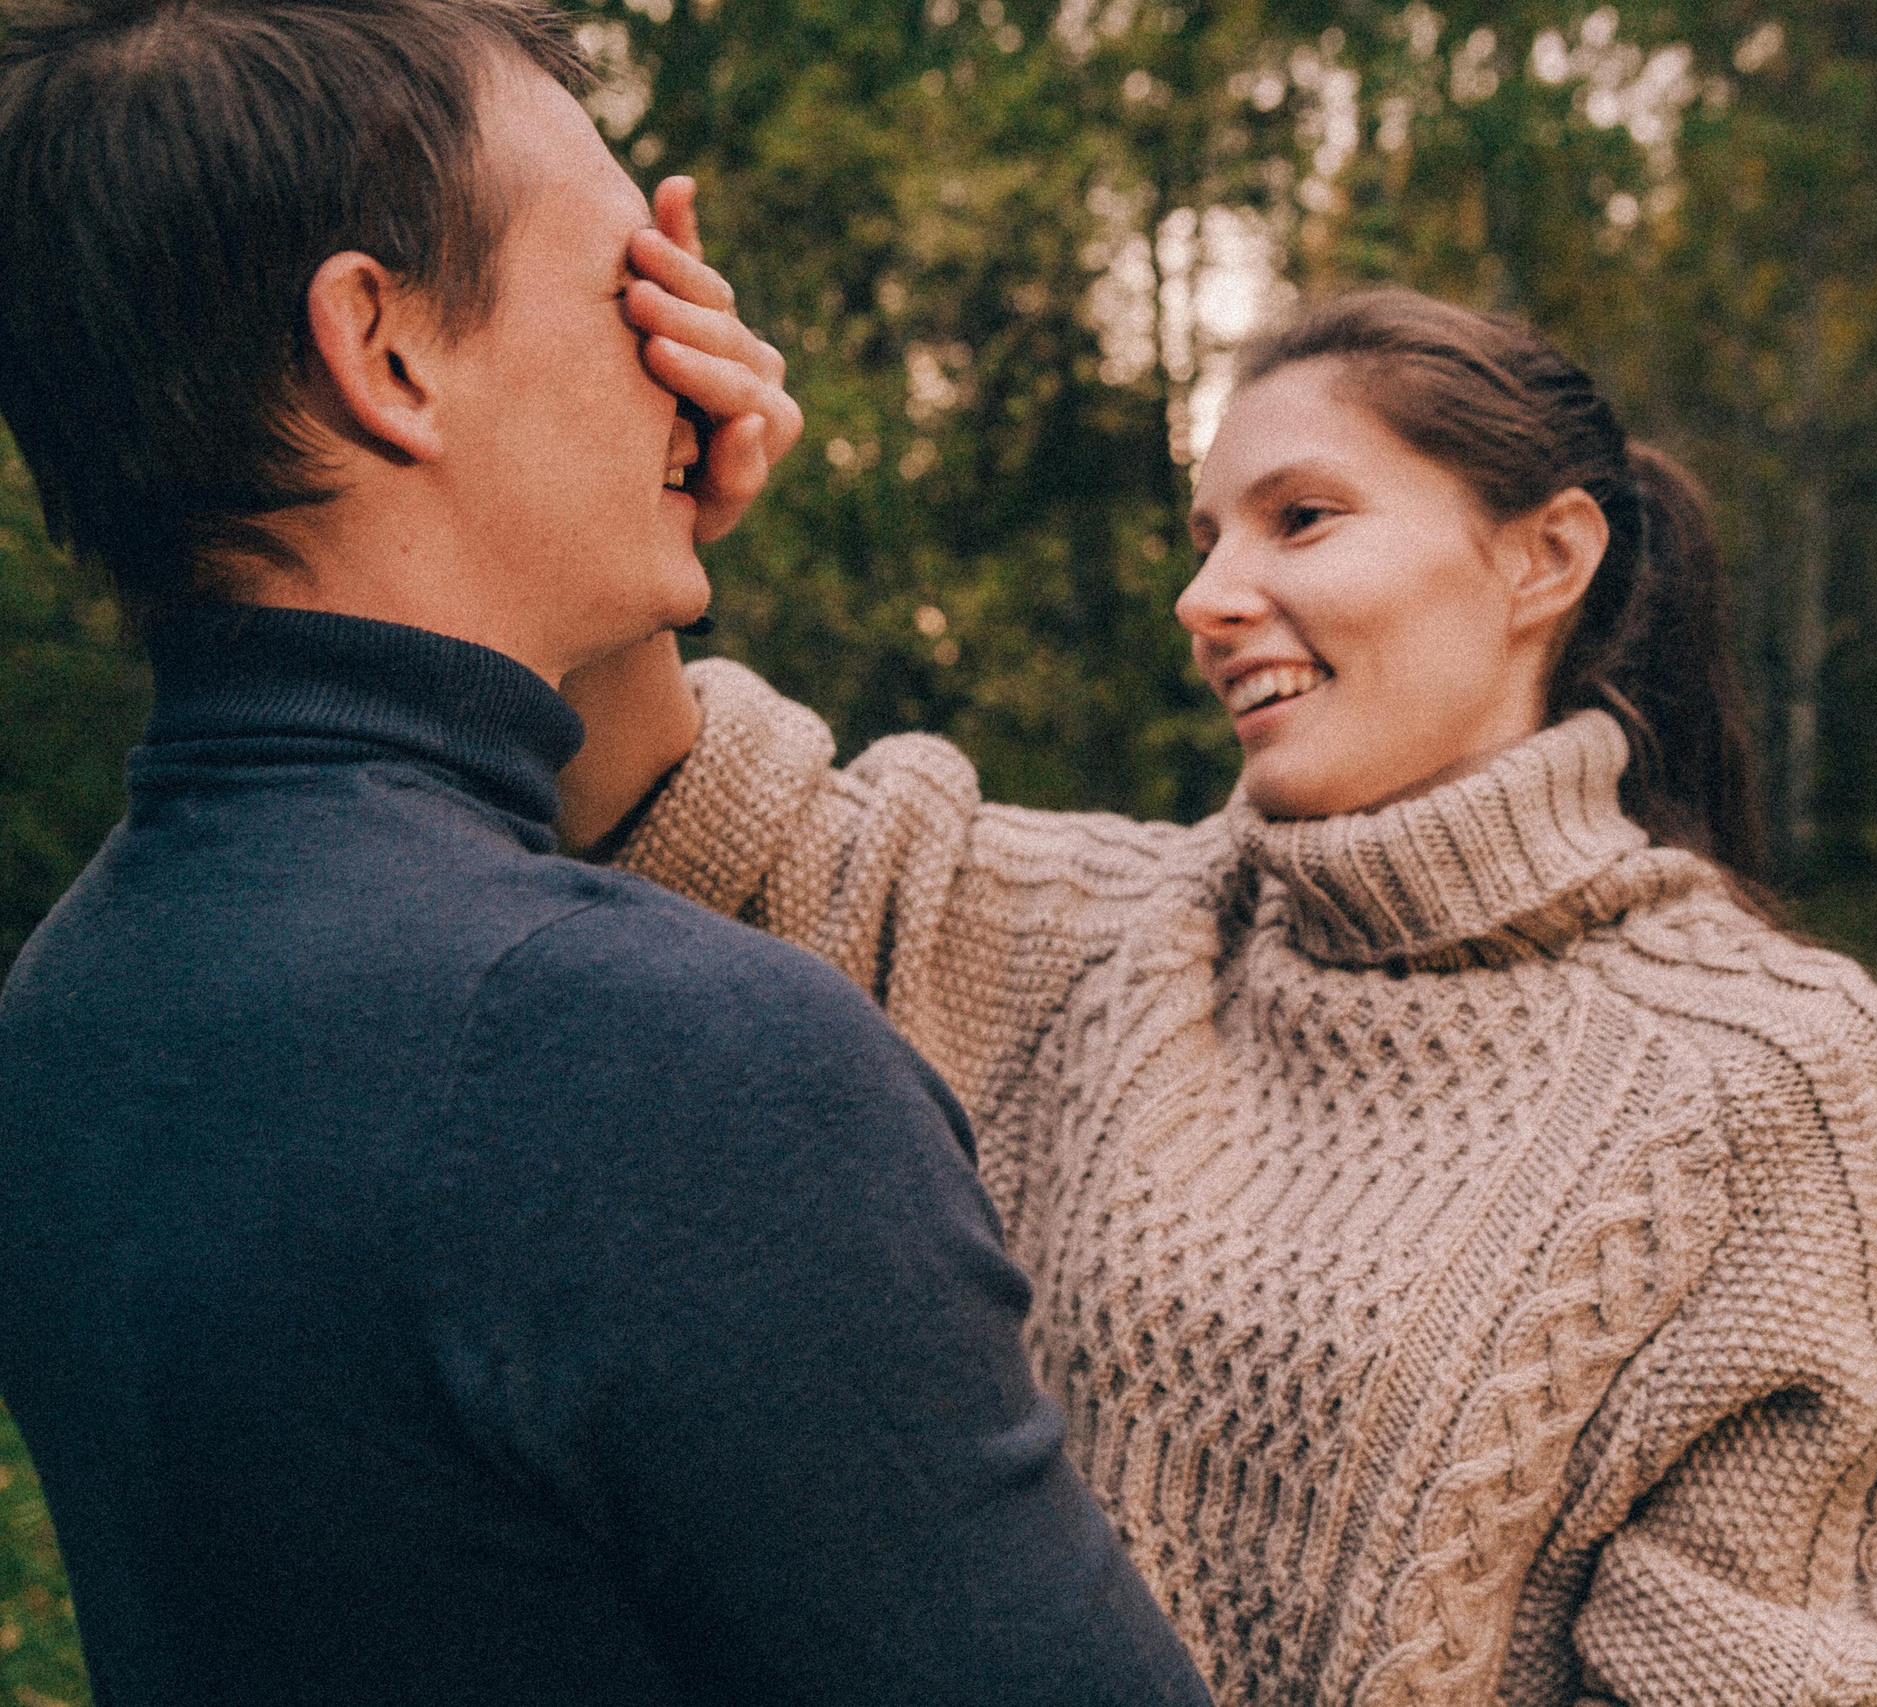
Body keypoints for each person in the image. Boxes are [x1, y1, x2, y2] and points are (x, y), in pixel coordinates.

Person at [0, 3, 1212, 1702]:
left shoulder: (72, 1009)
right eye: (624, 282)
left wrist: (639, 556)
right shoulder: (679, 1069)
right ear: (384, 347)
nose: (694, 350)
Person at [563, 288, 1877, 1704]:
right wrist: (648, 491)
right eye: (1204, 542)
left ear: (1545, 557)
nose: (1203, 599)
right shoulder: (1111, 934)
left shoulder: (1775, 1077)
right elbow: (672, 806)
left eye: (1299, 519)